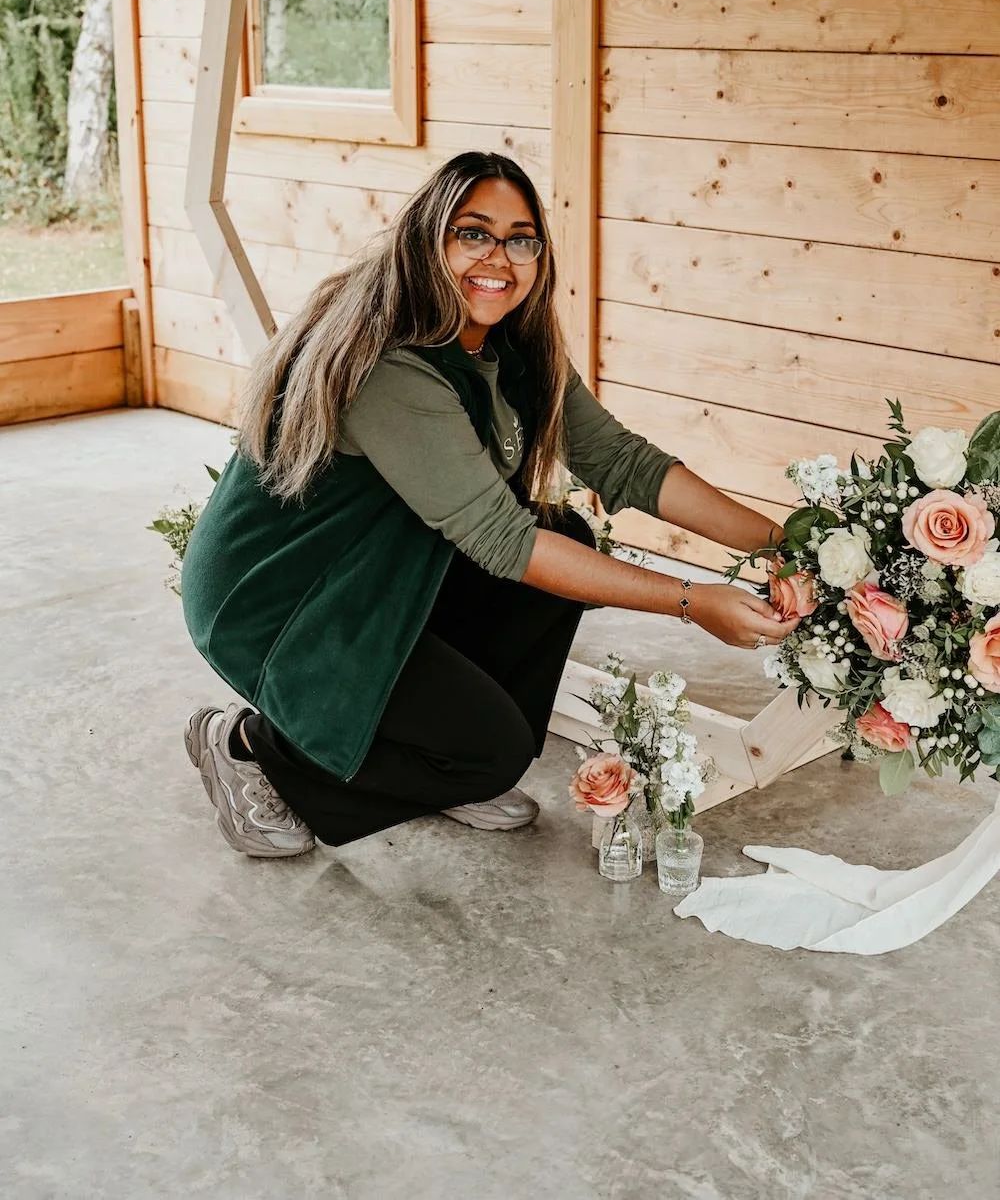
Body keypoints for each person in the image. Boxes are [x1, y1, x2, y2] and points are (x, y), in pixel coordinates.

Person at [181, 151, 796, 860]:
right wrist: (695, 601)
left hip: (378, 567)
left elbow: (621, 461)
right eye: (473, 232)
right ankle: (254, 749)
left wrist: (780, 539)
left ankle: (437, 756)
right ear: (428, 239)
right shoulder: (392, 365)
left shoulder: (509, 341)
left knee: (567, 532)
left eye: (521, 238)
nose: (499, 257)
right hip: (284, 597)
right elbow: (506, 544)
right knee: (491, 751)